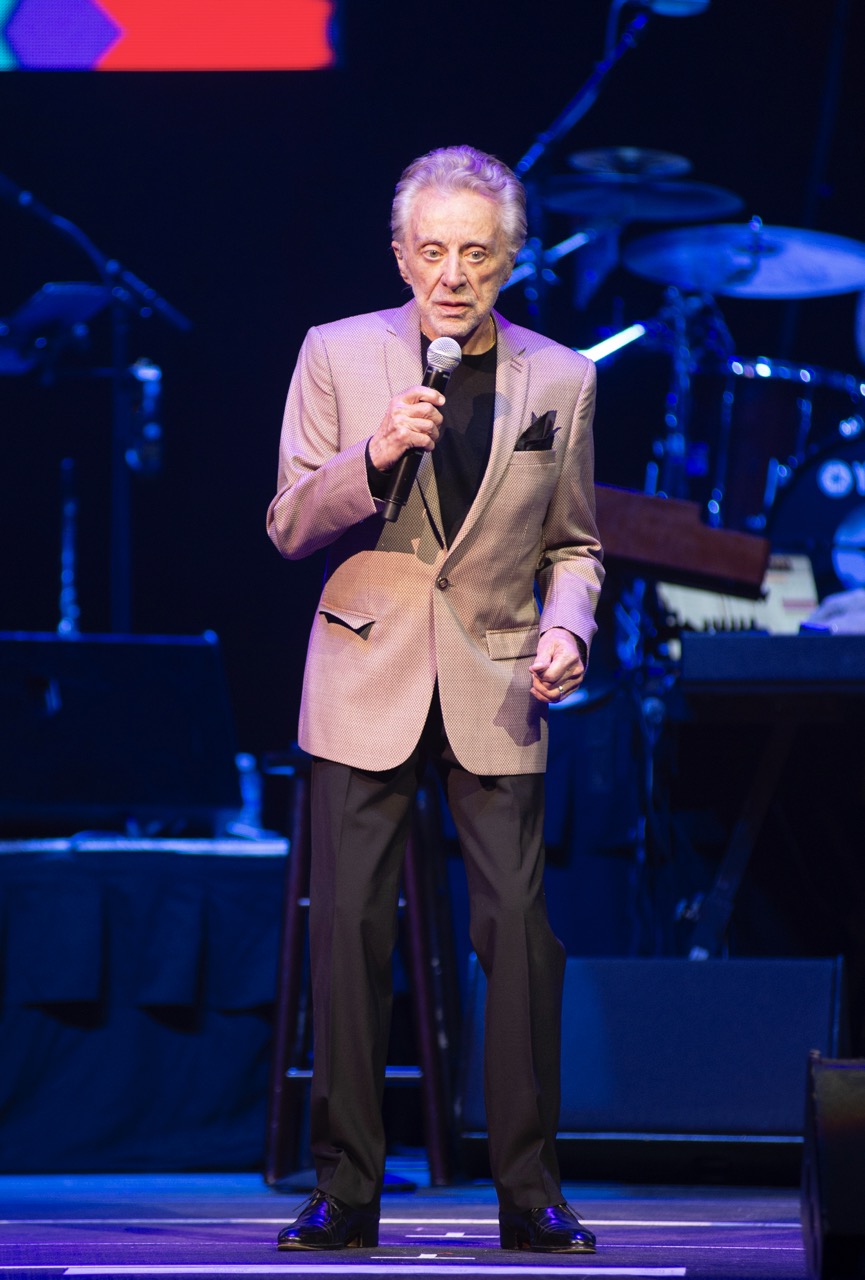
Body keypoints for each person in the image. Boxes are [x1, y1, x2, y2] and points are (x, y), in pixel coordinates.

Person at [266, 144, 604, 1253]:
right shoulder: (335, 351)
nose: (453, 274)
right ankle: (345, 1189)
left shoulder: (561, 377)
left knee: (519, 937)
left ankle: (530, 1191)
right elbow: (289, 523)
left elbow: (576, 544)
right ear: (401, 255)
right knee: (350, 934)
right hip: (363, 671)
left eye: (477, 253)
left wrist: (567, 624)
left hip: (497, 676)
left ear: (512, 258)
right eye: (432, 251)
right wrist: (373, 454)